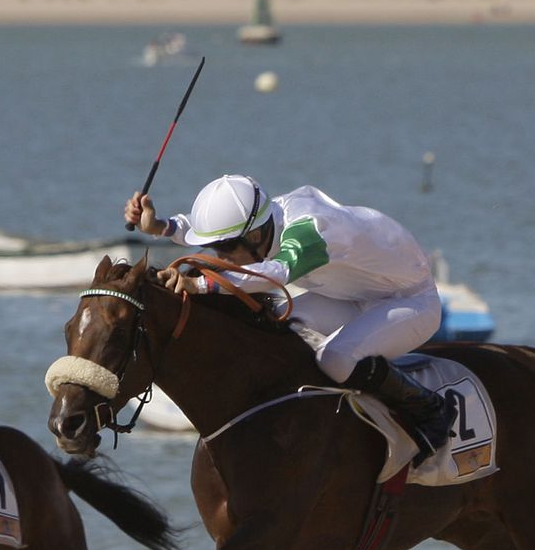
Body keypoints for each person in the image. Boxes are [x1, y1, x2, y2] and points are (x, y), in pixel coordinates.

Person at [125, 175, 455, 464]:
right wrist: (160, 226)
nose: (218, 258)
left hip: (410, 301)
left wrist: (200, 284)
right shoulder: (263, 218)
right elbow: (209, 234)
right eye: (216, 250)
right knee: (277, 331)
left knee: (335, 358)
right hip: (351, 295)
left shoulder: (314, 229)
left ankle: (430, 410)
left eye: (223, 250)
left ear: (254, 237)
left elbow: (276, 274)